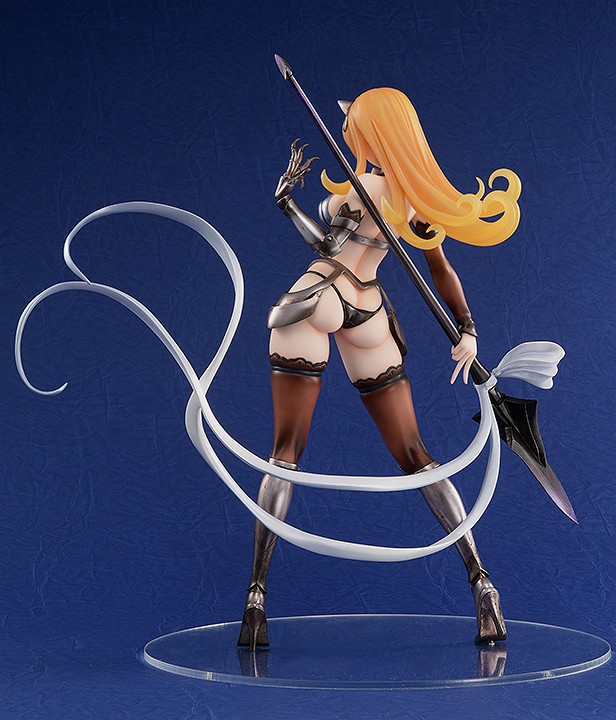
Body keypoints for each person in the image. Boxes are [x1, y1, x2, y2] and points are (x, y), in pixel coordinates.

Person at [237, 88, 520, 651]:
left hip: (320, 295)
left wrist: (286, 202)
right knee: (416, 455)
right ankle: (482, 582)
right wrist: (467, 330)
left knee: (285, 453)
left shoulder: (358, 189)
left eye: (356, 129)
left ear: (370, 134)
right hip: (371, 311)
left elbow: (325, 244)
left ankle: (256, 598)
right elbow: (441, 270)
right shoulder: (420, 202)